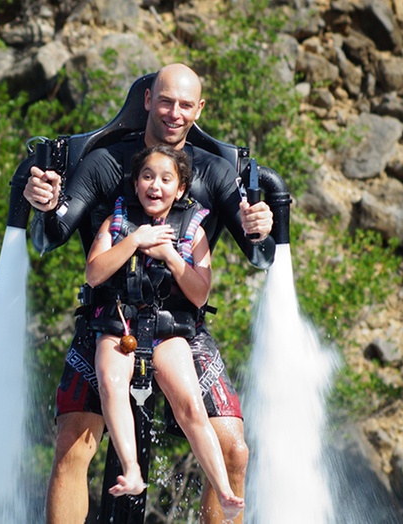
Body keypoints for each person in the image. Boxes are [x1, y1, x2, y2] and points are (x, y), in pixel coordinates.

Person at [22, 63, 275, 523]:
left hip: (179, 328)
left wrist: (261, 230)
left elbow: (260, 255)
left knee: (234, 450)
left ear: (199, 109)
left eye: (184, 105)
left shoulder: (215, 174)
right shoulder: (105, 164)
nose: (173, 113)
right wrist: (44, 205)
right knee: (73, 444)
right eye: (165, 101)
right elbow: (49, 237)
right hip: (110, 322)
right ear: (146, 101)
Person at [87, 145, 244, 519]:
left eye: (165, 179)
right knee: (111, 380)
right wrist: (135, 242)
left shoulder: (193, 229)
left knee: (189, 402)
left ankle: (223, 488)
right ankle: (132, 469)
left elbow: (200, 292)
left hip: (167, 328)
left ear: (180, 188)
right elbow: (94, 273)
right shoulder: (117, 223)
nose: (155, 185)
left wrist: (172, 256)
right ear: (135, 183)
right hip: (120, 326)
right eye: (147, 177)